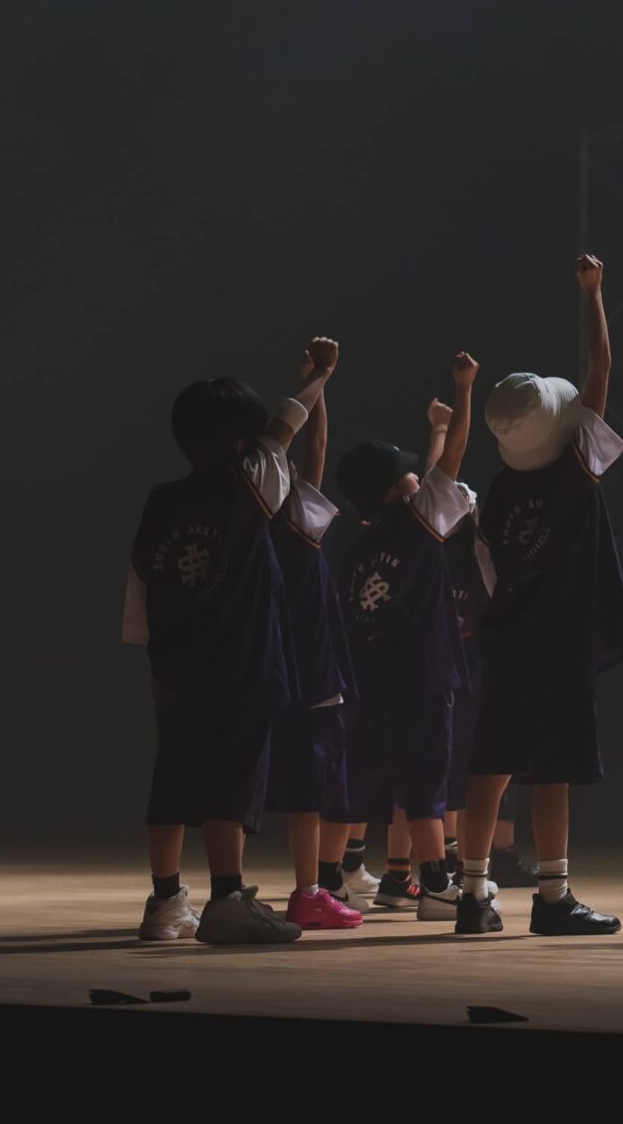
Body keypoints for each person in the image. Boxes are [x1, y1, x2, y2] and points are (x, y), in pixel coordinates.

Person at [125, 343, 333, 944]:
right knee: (231, 785)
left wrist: (153, 654)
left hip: (175, 667)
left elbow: (141, 581)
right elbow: (287, 425)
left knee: (172, 781)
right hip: (242, 667)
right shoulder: (250, 484)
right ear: (245, 441)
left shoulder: (161, 500)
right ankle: (226, 902)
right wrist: (321, 375)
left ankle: (164, 902)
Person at [455, 255, 623, 936]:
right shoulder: (576, 472)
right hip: (559, 644)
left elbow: (486, 574)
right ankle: (553, 898)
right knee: (552, 773)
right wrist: (594, 295)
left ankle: (473, 897)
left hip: (507, 641)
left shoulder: (498, 493)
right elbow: (600, 373)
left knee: (489, 769)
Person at [331, 352, 481, 924]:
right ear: (398, 489)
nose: (420, 475)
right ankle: (437, 885)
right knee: (425, 785)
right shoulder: (418, 526)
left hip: (371, 684)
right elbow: (453, 462)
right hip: (423, 680)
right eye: (408, 473)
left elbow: (438, 473)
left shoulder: (357, 549)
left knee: (365, 782)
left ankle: (337, 878)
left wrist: (437, 428)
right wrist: (464, 392)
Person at [264, 338, 361, 932]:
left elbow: (311, 450)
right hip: (310, 668)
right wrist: (321, 378)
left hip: (264, 666)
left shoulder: (244, 519)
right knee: (308, 789)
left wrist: (317, 383)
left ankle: (229, 889)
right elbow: (317, 448)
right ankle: (308, 892)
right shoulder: (296, 518)